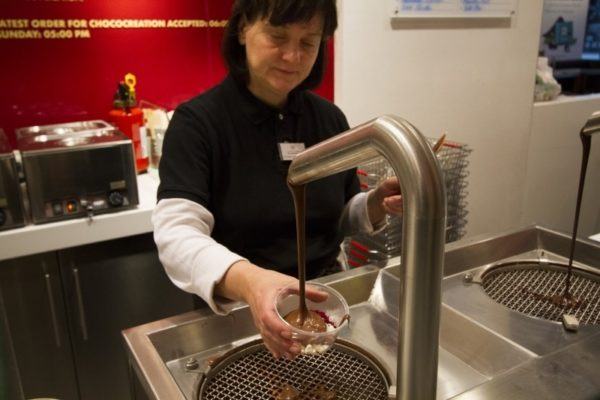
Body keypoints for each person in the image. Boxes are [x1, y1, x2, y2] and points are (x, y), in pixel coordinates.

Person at [152, 0, 402, 360]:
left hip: (322, 309)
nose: (292, 56)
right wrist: (253, 283)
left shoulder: (328, 119)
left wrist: (375, 203)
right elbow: (176, 236)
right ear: (242, 29)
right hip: (238, 319)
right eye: (277, 36)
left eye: (308, 43)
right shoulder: (198, 124)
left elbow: (341, 215)